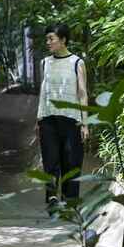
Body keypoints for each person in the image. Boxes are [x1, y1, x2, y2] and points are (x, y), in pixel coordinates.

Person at [35, 23, 89, 206]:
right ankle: (51, 197)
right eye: (47, 39)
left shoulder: (77, 63)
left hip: (71, 118)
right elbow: (44, 91)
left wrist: (85, 123)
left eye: (51, 38)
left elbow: (82, 93)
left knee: (71, 161)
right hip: (48, 119)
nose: (48, 42)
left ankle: (70, 201)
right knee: (50, 160)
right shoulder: (45, 62)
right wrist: (39, 118)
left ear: (63, 40)